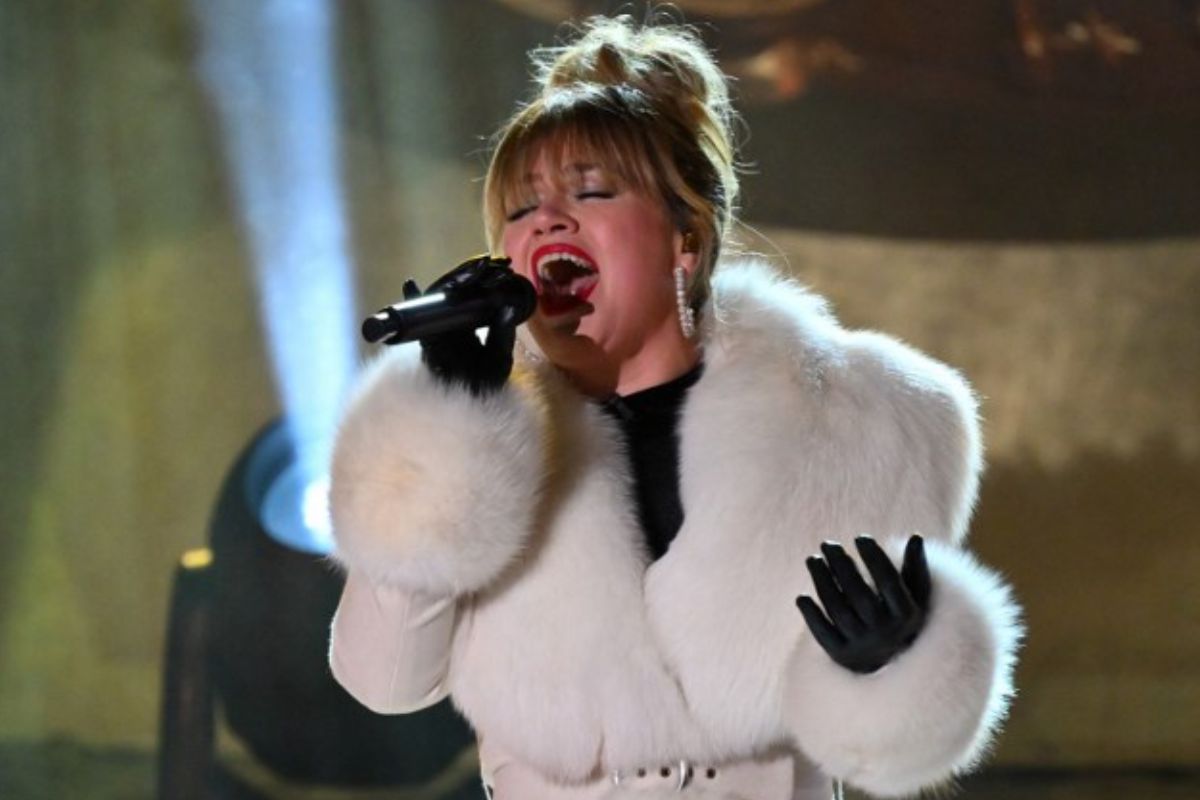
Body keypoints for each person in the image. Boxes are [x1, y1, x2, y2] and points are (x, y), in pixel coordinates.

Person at [327, 15, 1022, 800]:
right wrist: (445, 430)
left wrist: (892, 667)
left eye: (592, 192)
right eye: (519, 210)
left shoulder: (865, 421)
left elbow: (893, 752)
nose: (547, 220)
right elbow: (384, 682)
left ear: (685, 238)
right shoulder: (476, 440)